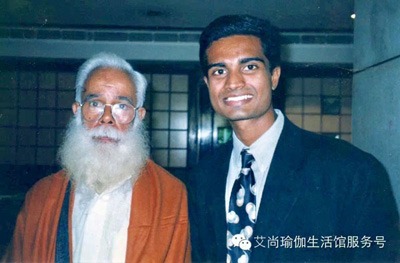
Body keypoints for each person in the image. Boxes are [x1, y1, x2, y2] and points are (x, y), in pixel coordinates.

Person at [188, 14, 399, 262]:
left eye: (250, 67)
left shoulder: (350, 169)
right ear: (207, 83)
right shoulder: (203, 175)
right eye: (219, 70)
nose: (233, 82)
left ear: (274, 76)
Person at [2, 53, 191, 262]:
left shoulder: (171, 196)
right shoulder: (42, 196)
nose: (107, 118)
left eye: (122, 106)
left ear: (139, 116)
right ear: (77, 111)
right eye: (95, 104)